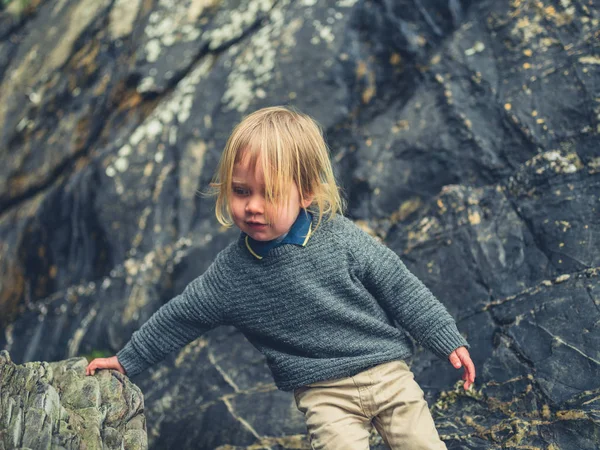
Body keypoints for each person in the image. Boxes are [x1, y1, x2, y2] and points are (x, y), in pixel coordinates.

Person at [86, 105, 476, 449]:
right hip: (324, 395)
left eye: (269, 193)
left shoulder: (340, 238)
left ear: (305, 192)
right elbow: (180, 317)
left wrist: (444, 337)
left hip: (387, 372)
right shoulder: (229, 276)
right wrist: (127, 360)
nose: (252, 206)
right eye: (241, 191)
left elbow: (399, 286)